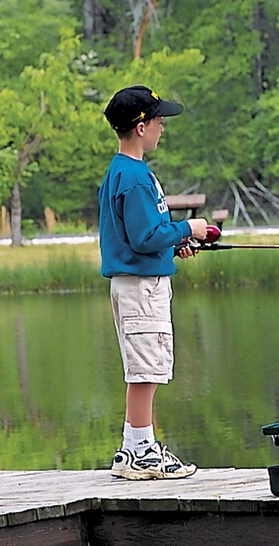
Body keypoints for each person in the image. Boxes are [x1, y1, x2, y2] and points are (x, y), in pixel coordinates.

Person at [98, 85, 210, 480]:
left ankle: (134, 448)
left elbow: (142, 236)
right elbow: (145, 237)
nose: (163, 126)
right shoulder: (135, 177)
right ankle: (143, 452)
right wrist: (190, 226)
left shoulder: (122, 173)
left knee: (146, 368)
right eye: (158, 119)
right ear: (140, 127)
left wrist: (175, 244)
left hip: (138, 281)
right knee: (146, 371)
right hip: (141, 289)